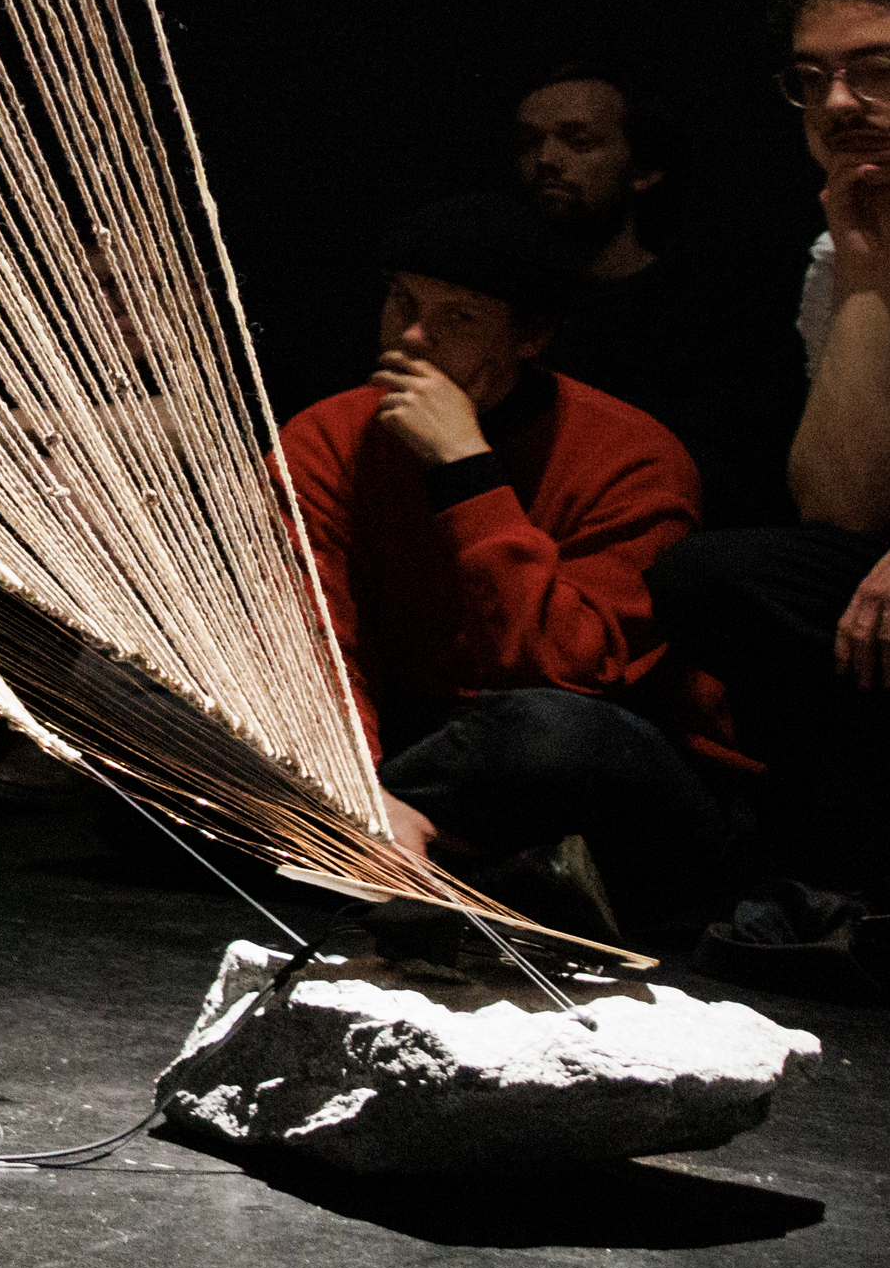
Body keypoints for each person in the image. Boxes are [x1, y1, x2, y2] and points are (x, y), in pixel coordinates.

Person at [274, 192, 737, 935]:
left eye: (458, 318)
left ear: (530, 337)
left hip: (582, 764)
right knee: (147, 722)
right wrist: (357, 786)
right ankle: (452, 865)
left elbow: (568, 672)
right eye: (402, 301)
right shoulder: (329, 435)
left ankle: (380, 854)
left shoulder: (633, 455)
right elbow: (314, 638)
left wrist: (466, 471)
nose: (412, 337)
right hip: (418, 754)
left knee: (553, 737)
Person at [659, 0, 890, 922]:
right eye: (812, 77)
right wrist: (863, 268)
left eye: (873, 68)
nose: (836, 103)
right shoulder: (832, 252)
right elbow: (838, 503)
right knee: (714, 576)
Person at [513, 60, 797, 527]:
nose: (546, 159)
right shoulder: (510, 309)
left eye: (578, 141)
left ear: (643, 170)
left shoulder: (709, 310)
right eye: (529, 143)